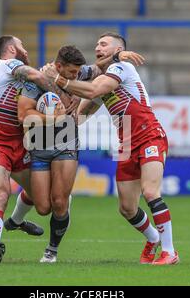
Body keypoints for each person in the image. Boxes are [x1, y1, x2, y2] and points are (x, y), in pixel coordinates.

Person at [46, 32, 179, 265]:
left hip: (149, 136)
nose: (97, 46)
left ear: (117, 50)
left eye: (104, 44)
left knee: (150, 192)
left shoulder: (122, 67)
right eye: (96, 43)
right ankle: (154, 238)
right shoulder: (104, 77)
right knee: (127, 208)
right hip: (126, 145)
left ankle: (169, 252)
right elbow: (80, 114)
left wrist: (60, 81)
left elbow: (92, 90)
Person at [0, 35, 78, 263]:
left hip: (20, 141)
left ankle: (16, 221)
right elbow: (36, 75)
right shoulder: (7, 65)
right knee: (1, 193)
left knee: (44, 202)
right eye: (22, 46)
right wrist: (60, 93)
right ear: (12, 49)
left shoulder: (20, 80)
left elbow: (45, 81)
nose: (25, 49)